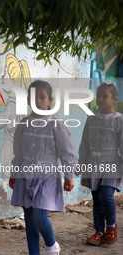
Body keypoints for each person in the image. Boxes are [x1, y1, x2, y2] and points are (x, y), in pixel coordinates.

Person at [9, 80, 77, 255]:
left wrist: (69, 176)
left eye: (42, 97)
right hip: (25, 177)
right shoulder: (23, 125)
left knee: (39, 217)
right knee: (30, 222)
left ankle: (51, 245)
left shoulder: (56, 124)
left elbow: (67, 153)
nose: (38, 101)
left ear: (50, 100)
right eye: (34, 97)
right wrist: (14, 173)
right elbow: (18, 153)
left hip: (47, 178)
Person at [76, 82, 123, 246]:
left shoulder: (119, 121)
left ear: (114, 99)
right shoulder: (91, 120)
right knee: (96, 199)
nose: (101, 99)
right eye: (99, 95)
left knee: (105, 196)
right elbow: (84, 144)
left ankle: (111, 225)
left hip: (112, 164)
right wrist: (80, 163)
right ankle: (98, 231)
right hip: (93, 164)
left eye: (105, 96)